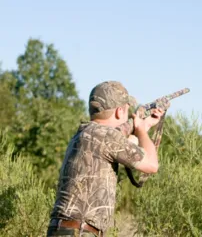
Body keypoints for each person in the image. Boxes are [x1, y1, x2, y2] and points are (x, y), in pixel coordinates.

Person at [46, 81, 164, 237]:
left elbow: (125, 146)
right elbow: (151, 165)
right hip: (80, 232)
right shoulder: (107, 136)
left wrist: (146, 124)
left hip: (62, 230)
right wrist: (141, 129)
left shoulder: (83, 133)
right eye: (128, 111)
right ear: (119, 111)